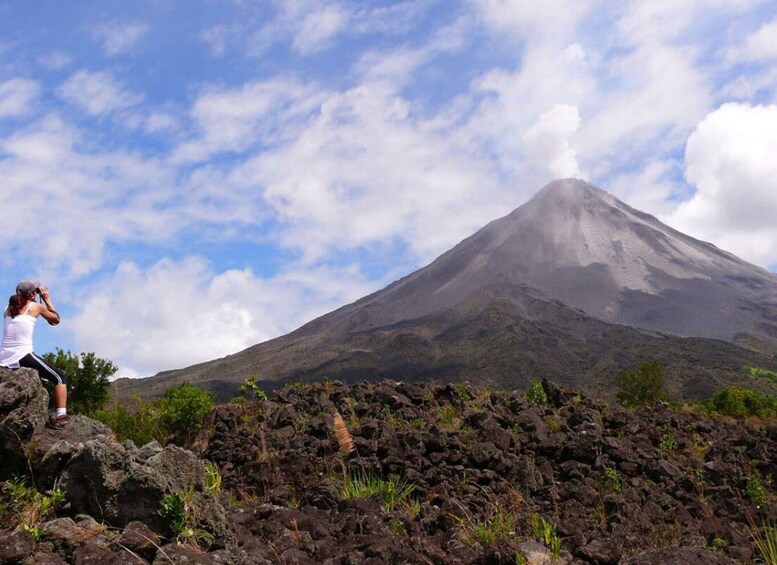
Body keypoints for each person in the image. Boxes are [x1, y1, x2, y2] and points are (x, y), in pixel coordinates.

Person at [0, 280, 68, 429]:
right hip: (22, 355)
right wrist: (47, 299)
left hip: (4, 357)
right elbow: (55, 320)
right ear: (32, 294)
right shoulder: (35, 306)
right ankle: (61, 416)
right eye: (36, 291)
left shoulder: (7, 309)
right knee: (59, 377)